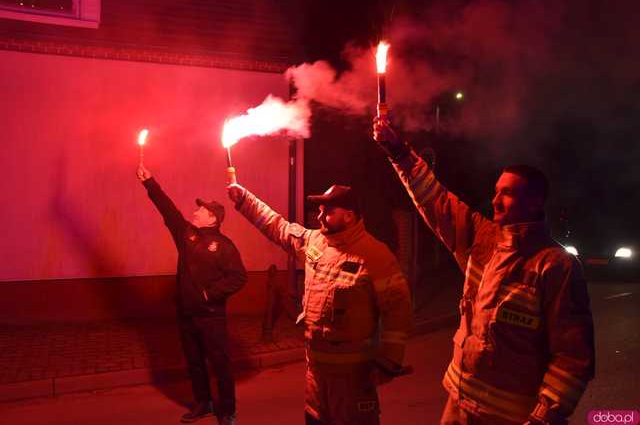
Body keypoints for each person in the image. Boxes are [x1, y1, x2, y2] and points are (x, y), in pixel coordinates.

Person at [372, 118, 595, 425]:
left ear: (535, 203)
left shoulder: (556, 266)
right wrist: (398, 152)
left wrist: (545, 416)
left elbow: (572, 357)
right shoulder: (483, 238)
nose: (495, 201)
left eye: (507, 194)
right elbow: (436, 200)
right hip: (458, 406)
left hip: (509, 418)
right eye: (495, 191)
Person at [227, 182, 412, 425]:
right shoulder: (314, 243)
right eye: (321, 210)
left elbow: (398, 309)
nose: (321, 216)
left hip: (353, 385)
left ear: (349, 216)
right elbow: (278, 227)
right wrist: (244, 200)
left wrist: (388, 363)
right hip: (316, 385)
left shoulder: (376, 256)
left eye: (328, 211)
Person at [137, 164, 247, 425]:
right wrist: (150, 182)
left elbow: (239, 278)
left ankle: (228, 411)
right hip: (186, 315)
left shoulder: (224, 246)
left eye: (201, 209)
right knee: (194, 363)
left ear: (213, 219)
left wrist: (210, 294)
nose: (195, 211)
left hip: (211, 318)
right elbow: (168, 210)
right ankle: (204, 403)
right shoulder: (187, 236)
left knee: (220, 365)